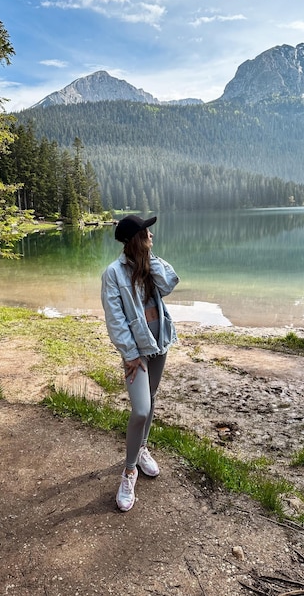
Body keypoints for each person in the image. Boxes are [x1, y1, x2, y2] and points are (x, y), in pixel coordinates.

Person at [101, 214, 179, 511]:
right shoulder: (113, 273)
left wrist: (149, 257)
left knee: (152, 399)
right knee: (141, 409)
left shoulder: (149, 266)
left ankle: (142, 448)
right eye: (147, 233)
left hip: (160, 342)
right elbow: (115, 318)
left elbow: (170, 282)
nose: (152, 236)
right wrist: (130, 353)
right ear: (137, 237)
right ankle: (129, 469)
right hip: (137, 351)